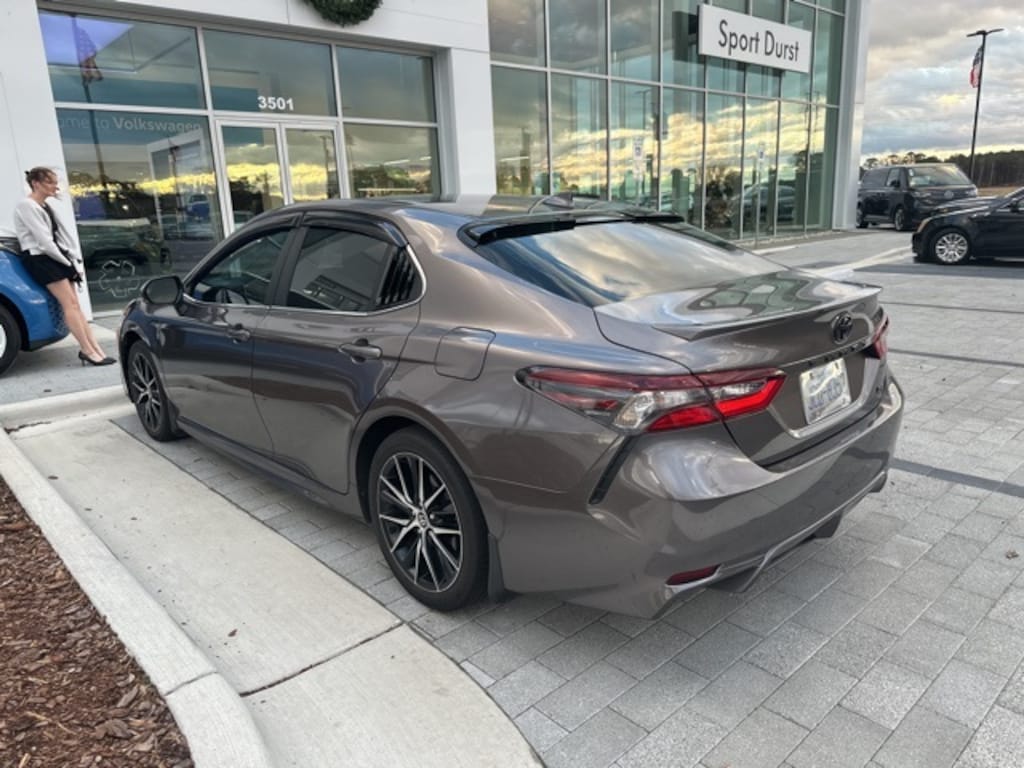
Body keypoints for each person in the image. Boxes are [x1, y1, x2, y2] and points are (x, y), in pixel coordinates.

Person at [13, 167, 114, 366]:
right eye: (50, 182)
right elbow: (44, 242)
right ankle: (87, 350)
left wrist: (73, 259)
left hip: (55, 257)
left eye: (54, 181)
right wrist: (68, 263)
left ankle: (95, 349)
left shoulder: (44, 206)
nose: (54, 186)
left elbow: (60, 237)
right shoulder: (27, 206)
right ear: (36, 183)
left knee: (76, 306)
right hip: (41, 258)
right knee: (69, 304)